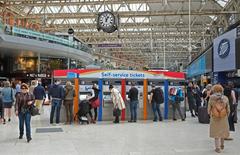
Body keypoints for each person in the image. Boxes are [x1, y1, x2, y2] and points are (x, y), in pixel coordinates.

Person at [208, 84, 230, 153]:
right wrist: (226, 115)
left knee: (216, 133)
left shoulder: (211, 98)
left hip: (215, 117)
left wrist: (210, 114)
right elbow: (228, 109)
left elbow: (209, 109)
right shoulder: (225, 98)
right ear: (221, 90)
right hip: (223, 117)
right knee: (222, 131)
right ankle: (222, 145)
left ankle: (217, 148)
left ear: (214, 90)